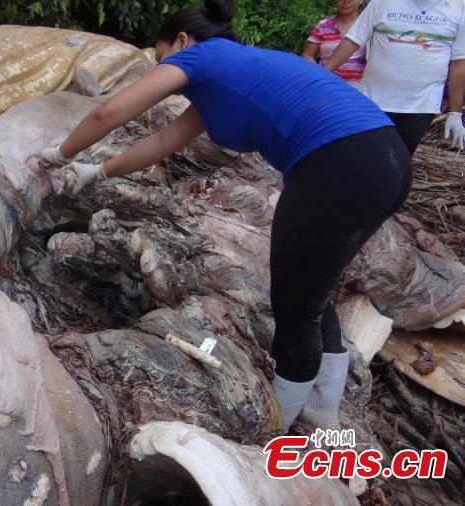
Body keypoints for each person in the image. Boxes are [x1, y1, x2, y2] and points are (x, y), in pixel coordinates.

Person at [40, 0, 412, 430]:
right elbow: (161, 142)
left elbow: (110, 111)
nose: (162, 70)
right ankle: (322, 408)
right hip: (385, 160)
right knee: (312, 290)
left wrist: (60, 153)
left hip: (340, 163)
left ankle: (277, 424)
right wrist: (96, 170)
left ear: (181, 41)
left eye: (160, 57)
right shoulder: (226, 78)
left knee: (293, 307)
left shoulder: (203, 56)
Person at [325, 0, 465, 153]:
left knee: (400, 160)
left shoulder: (459, 6)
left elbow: (459, 63)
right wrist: (322, 74)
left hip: (421, 105)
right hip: (373, 100)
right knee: (364, 155)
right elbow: (353, 39)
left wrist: (455, 113)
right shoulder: (383, 2)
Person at [303, 0, 367, 88]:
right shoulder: (323, 25)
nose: (346, 1)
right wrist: (318, 73)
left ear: (361, 1)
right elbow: (308, 54)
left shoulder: (368, 27)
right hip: (327, 87)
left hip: (359, 91)